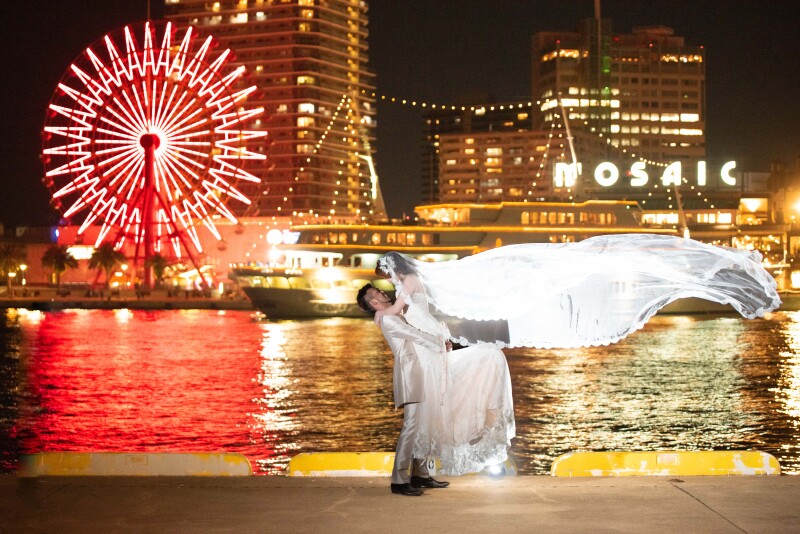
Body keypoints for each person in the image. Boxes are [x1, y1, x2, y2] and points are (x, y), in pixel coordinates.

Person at [389, 234, 781, 349]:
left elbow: (409, 308)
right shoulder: (426, 282)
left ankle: (730, 272)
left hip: (469, 327)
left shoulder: (420, 283)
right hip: (467, 328)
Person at [363, 253, 516, 477]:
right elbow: (411, 323)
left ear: (393, 269)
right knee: (428, 416)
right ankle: (420, 472)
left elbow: (400, 313)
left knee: (486, 358)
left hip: (431, 353)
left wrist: (379, 313)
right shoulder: (402, 289)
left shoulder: (409, 281)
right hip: (426, 357)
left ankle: (478, 427)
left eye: (386, 276)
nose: (386, 282)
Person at [356, 283, 451, 496]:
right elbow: (414, 334)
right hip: (410, 375)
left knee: (424, 424)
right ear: (374, 302)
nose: (382, 291)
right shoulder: (389, 319)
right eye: (377, 292)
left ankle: (421, 475)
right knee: (411, 426)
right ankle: (399, 480)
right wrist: (439, 344)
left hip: (420, 371)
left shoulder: (393, 313)